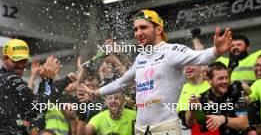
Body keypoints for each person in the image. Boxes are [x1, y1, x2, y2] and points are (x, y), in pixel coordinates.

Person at [78, 9, 232, 134]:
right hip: (140, 129)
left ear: (158, 29)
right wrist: (96, 92)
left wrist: (217, 51)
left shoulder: (172, 51)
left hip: (165, 128)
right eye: (136, 29)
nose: (138, 32)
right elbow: (121, 82)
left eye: (143, 27)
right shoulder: (140, 58)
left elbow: (200, 58)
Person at [0, 39, 74, 134]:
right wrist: (48, 80)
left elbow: (29, 112)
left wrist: (46, 82)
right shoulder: (10, 79)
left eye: (23, 60)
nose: (21, 65)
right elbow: (39, 106)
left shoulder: (4, 79)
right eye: (16, 60)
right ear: (4, 58)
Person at [183, 62, 248, 135]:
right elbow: (190, 124)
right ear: (209, 80)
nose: (225, 81)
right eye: (221, 78)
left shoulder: (235, 91)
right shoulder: (203, 98)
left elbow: (244, 123)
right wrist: (191, 110)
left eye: (226, 77)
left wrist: (223, 119)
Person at [247, 54, 261, 133]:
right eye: (257, 65)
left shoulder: (259, 83)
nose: (258, 69)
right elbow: (245, 100)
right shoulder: (258, 84)